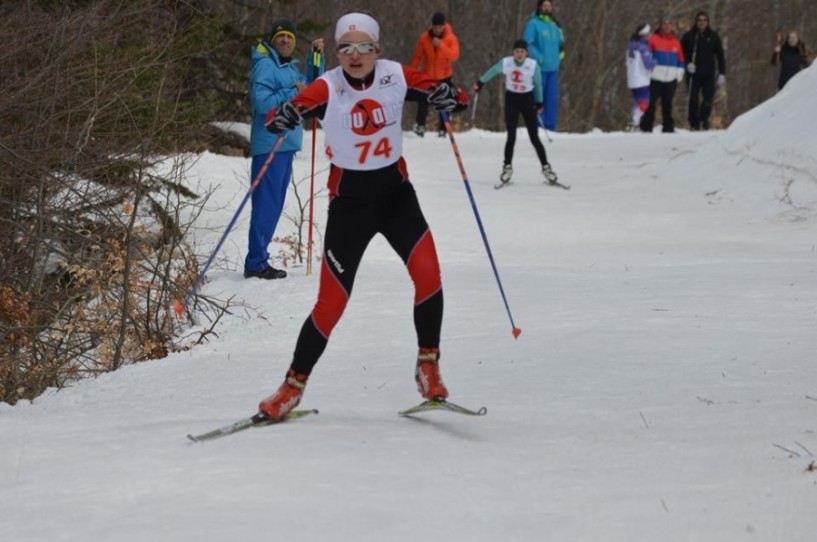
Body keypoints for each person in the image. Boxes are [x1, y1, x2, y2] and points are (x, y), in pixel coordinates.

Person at [257, 12, 469, 420]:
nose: (355, 55)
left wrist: (450, 97)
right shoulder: (328, 85)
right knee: (331, 303)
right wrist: (283, 116)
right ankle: (291, 387)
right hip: (350, 205)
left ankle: (429, 367)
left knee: (428, 273)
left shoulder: (395, 75)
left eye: (364, 46)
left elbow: (449, 94)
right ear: (336, 52)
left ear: (378, 49)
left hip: (395, 197)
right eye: (345, 47)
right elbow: (286, 111)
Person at [244, 18, 325, 280]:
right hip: (270, 144)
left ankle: (259, 260)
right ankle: (255, 263)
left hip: (285, 145)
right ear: (273, 39)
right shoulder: (265, 65)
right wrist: (292, 92)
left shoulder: (289, 68)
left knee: (274, 205)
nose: (286, 40)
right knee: (266, 205)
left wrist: (316, 58)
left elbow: (312, 89)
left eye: (290, 37)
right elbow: (262, 102)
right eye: (281, 36)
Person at [473, 39, 558, 185]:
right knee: (511, 136)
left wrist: (539, 103)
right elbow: (493, 70)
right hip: (512, 100)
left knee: (534, 138)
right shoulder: (507, 62)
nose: (519, 54)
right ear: (513, 52)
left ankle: (546, 168)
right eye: (517, 51)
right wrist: (481, 82)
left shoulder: (532, 65)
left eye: (522, 51)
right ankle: (507, 168)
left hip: (527, 101)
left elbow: (538, 85)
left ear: (526, 53)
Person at [410, 12, 460, 137]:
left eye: (440, 27)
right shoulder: (424, 38)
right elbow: (417, 56)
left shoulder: (451, 38)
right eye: (435, 26)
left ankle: (443, 129)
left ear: (444, 26)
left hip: (445, 76)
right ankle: (420, 126)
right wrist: (411, 73)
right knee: (423, 99)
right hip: (428, 75)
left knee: (445, 102)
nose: (437, 29)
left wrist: (441, 45)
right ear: (432, 26)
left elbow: (454, 55)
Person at [522, 0, 564, 131]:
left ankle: (551, 128)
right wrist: (539, 58)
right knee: (538, 99)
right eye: (544, 6)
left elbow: (561, 44)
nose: (547, 8)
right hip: (539, 68)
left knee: (552, 100)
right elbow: (528, 43)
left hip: (553, 69)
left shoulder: (555, 25)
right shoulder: (533, 23)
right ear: (540, 7)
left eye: (549, 6)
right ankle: (538, 126)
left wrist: (560, 57)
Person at [681, 11, 726, 130]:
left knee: (708, 99)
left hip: (708, 74)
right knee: (693, 99)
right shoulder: (689, 36)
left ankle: (704, 119)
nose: (702, 22)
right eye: (699, 20)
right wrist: (687, 65)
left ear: (707, 22)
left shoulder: (713, 36)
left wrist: (722, 72)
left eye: (704, 20)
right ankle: (694, 123)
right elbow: (681, 53)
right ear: (696, 22)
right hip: (693, 74)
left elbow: (720, 55)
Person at [639, 14, 685, 134]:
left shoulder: (676, 42)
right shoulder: (653, 38)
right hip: (655, 77)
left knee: (668, 105)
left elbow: (681, 59)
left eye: (669, 24)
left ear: (672, 26)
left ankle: (668, 128)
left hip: (670, 78)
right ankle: (646, 127)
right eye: (664, 24)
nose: (666, 26)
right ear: (660, 25)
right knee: (651, 104)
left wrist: (680, 71)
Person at [626, 23, 656, 130]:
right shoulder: (643, 48)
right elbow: (648, 64)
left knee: (637, 102)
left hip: (632, 80)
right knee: (644, 103)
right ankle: (634, 120)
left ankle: (634, 122)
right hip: (641, 79)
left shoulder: (631, 45)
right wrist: (654, 62)